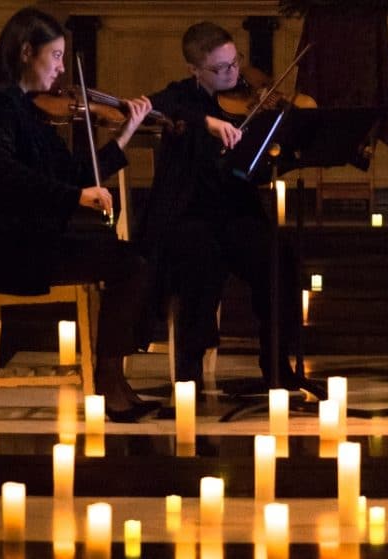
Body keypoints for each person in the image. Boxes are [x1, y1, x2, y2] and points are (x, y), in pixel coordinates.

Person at [0, 7, 157, 422]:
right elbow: (8, 178)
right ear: (25, 52)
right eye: (54, 56)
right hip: (13, 251)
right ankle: (108, 379)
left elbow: (73, 171)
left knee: (135, 258)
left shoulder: (27, 112)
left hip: (39, 241)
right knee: (131, 265)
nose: (61, 68)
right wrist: (75, 198)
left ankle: (112, 376)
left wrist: (124, 134)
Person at [138, 22, 324, 398]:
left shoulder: (245, 99)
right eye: (220, 68)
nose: (232, 73)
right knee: (201, 257)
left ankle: (276, 365)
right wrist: (204, 121)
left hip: (235, 212)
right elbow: (154, 108)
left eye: (234, 62)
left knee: (277, 255)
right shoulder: (182, 98)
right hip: (187, 215)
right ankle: (188, 371)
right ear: (195, 70)